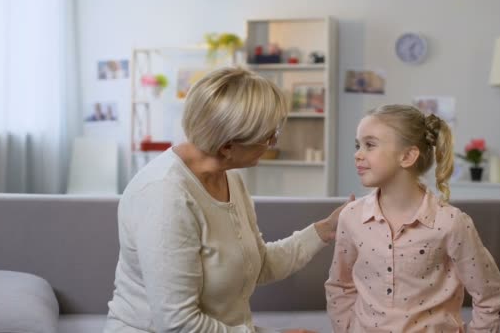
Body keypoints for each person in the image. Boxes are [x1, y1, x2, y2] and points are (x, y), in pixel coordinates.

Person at [104, 67, 352, 333]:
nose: (272, 143)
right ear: (227, 146)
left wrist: (327, 228)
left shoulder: (229, 178)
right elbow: (178, 324)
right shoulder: (165, 196)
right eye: (268, 136)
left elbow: (259, 265)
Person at [325, 105, 500, 332]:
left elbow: (489, 296)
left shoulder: (450, 223)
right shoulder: (351, 217)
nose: (357, 154)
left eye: (369, 145)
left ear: (408, 156)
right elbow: (340, 285)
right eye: (357, 145)